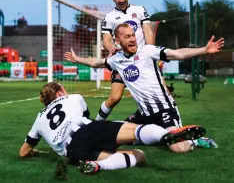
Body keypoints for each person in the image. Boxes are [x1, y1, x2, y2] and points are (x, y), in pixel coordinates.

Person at [64, 23, 224, 152]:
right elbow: (96, 62)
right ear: (118, 41)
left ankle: (197, 141)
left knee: (177, 147)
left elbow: (178, 54)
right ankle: (149, 135)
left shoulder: (148, 51)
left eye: (133, 35)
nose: (132, 39)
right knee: (115, 137)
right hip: (143, 114)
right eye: (127, 36)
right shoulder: (116, 60)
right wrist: (77, 59)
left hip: (164, 111)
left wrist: (204, 50)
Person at [19, 82, 205, 174]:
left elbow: (23, 152)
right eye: (63, 89)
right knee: (132, 129)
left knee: (138, 155)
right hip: (86, 130)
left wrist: (34, 151)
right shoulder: (74, 97)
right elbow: (87, 118)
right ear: (59, 92)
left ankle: (98, 166)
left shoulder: (38, 118)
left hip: (73, 152)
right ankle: (166, 135)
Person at [97, 0, 155, 121]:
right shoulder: (110, 17)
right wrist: (110, 47)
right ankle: (95, 124)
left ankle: (136, 121)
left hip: (141, 61)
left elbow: (148, 31)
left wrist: (150, 52)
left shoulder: (139, 10)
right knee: (114, 98)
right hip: (122, 62)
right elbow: (106, 40)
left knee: (152, 94)